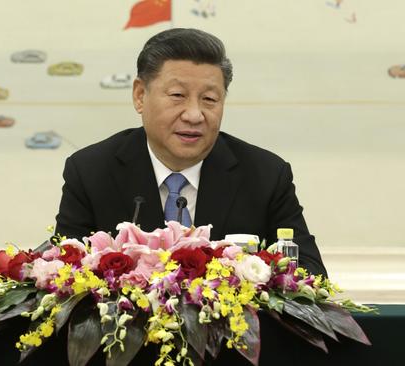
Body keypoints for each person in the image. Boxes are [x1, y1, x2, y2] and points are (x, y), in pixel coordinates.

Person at [54, 28, 327, 276]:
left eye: (209, 99)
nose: (195, 115)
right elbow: (64, 273)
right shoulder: (91, 172)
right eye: (177, 95)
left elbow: (310, 274)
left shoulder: (265, 175)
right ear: (140, 95)